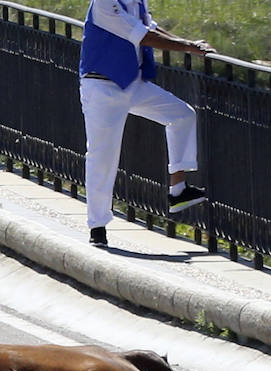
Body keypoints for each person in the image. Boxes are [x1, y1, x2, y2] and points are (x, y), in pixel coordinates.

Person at [78, 0, 213, 248]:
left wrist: (189, 42)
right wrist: (188, 48)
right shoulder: (104, 3)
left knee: (182, 115)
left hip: (132, 82)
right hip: (102, 87)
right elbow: (143, 36)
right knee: (102, 155)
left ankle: (178, 190)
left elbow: (151, 26)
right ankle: (97, 226)